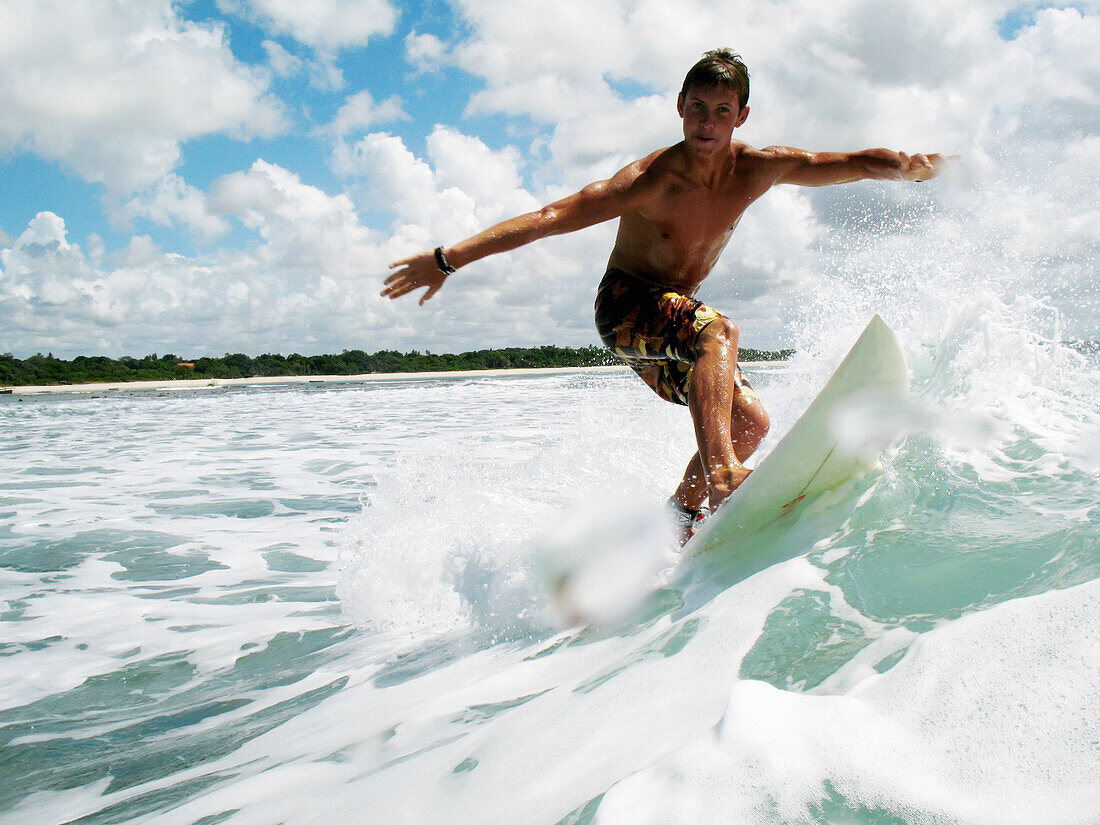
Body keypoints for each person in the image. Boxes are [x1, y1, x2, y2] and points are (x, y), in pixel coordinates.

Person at [382, 48, 945, 543]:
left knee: (750, 423)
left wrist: (906, 168)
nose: (707, 122)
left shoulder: (758, 168)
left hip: (675, 320)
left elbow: (843, 163)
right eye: (697, 107)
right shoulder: (650, 178)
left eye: (722, 111)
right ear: (680, 105)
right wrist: (446, 259)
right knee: (717, 332)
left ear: (741, 116)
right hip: (626, 307)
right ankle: (723, 475)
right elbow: (551, 218)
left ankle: (681, 513)